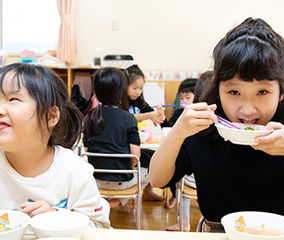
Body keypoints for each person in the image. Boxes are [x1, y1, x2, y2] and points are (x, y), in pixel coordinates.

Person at [149, 17, 284, 232]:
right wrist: (177, 133)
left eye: (262, 92)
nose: (248, 109)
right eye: (234, 92)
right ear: (218, 90)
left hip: (283, 238)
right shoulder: (205, 125)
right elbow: (157, 178)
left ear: (281, 92)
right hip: (219, 237)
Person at [0, 63, 110, 228]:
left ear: (50, 116)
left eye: (13, 99)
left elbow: (98, 226)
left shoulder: (74, 168)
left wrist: (58, 217)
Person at [83, 67, 143, 212]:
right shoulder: (128, 119)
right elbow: (135, 158)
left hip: (96, 181)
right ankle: (120, 200)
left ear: (96, 91)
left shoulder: (89, 117)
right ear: (121, 91)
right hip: (122, 182)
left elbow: (87, 152)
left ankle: (108, 200)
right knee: (147, 168)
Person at [165, 71, 213, 231]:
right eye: (182, 98)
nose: (184, 101)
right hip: (200, 180)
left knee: (183, 182)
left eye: (188, 97)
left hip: (191, 181)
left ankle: (184, 221)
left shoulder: (189, 120)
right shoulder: (181, 115)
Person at [121, 64, 165, 201]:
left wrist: (159, 115)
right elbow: (124, 118)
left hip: (135, 144)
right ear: (124, 86)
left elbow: (155, 118)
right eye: (134, 88)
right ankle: (125, 198)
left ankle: (148, 191)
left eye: (140, 88)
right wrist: (149, 116)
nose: (137, 92)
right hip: (122, 145)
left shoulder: (139, 102)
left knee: (155, 158)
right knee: (144, 160)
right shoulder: (119, 101)